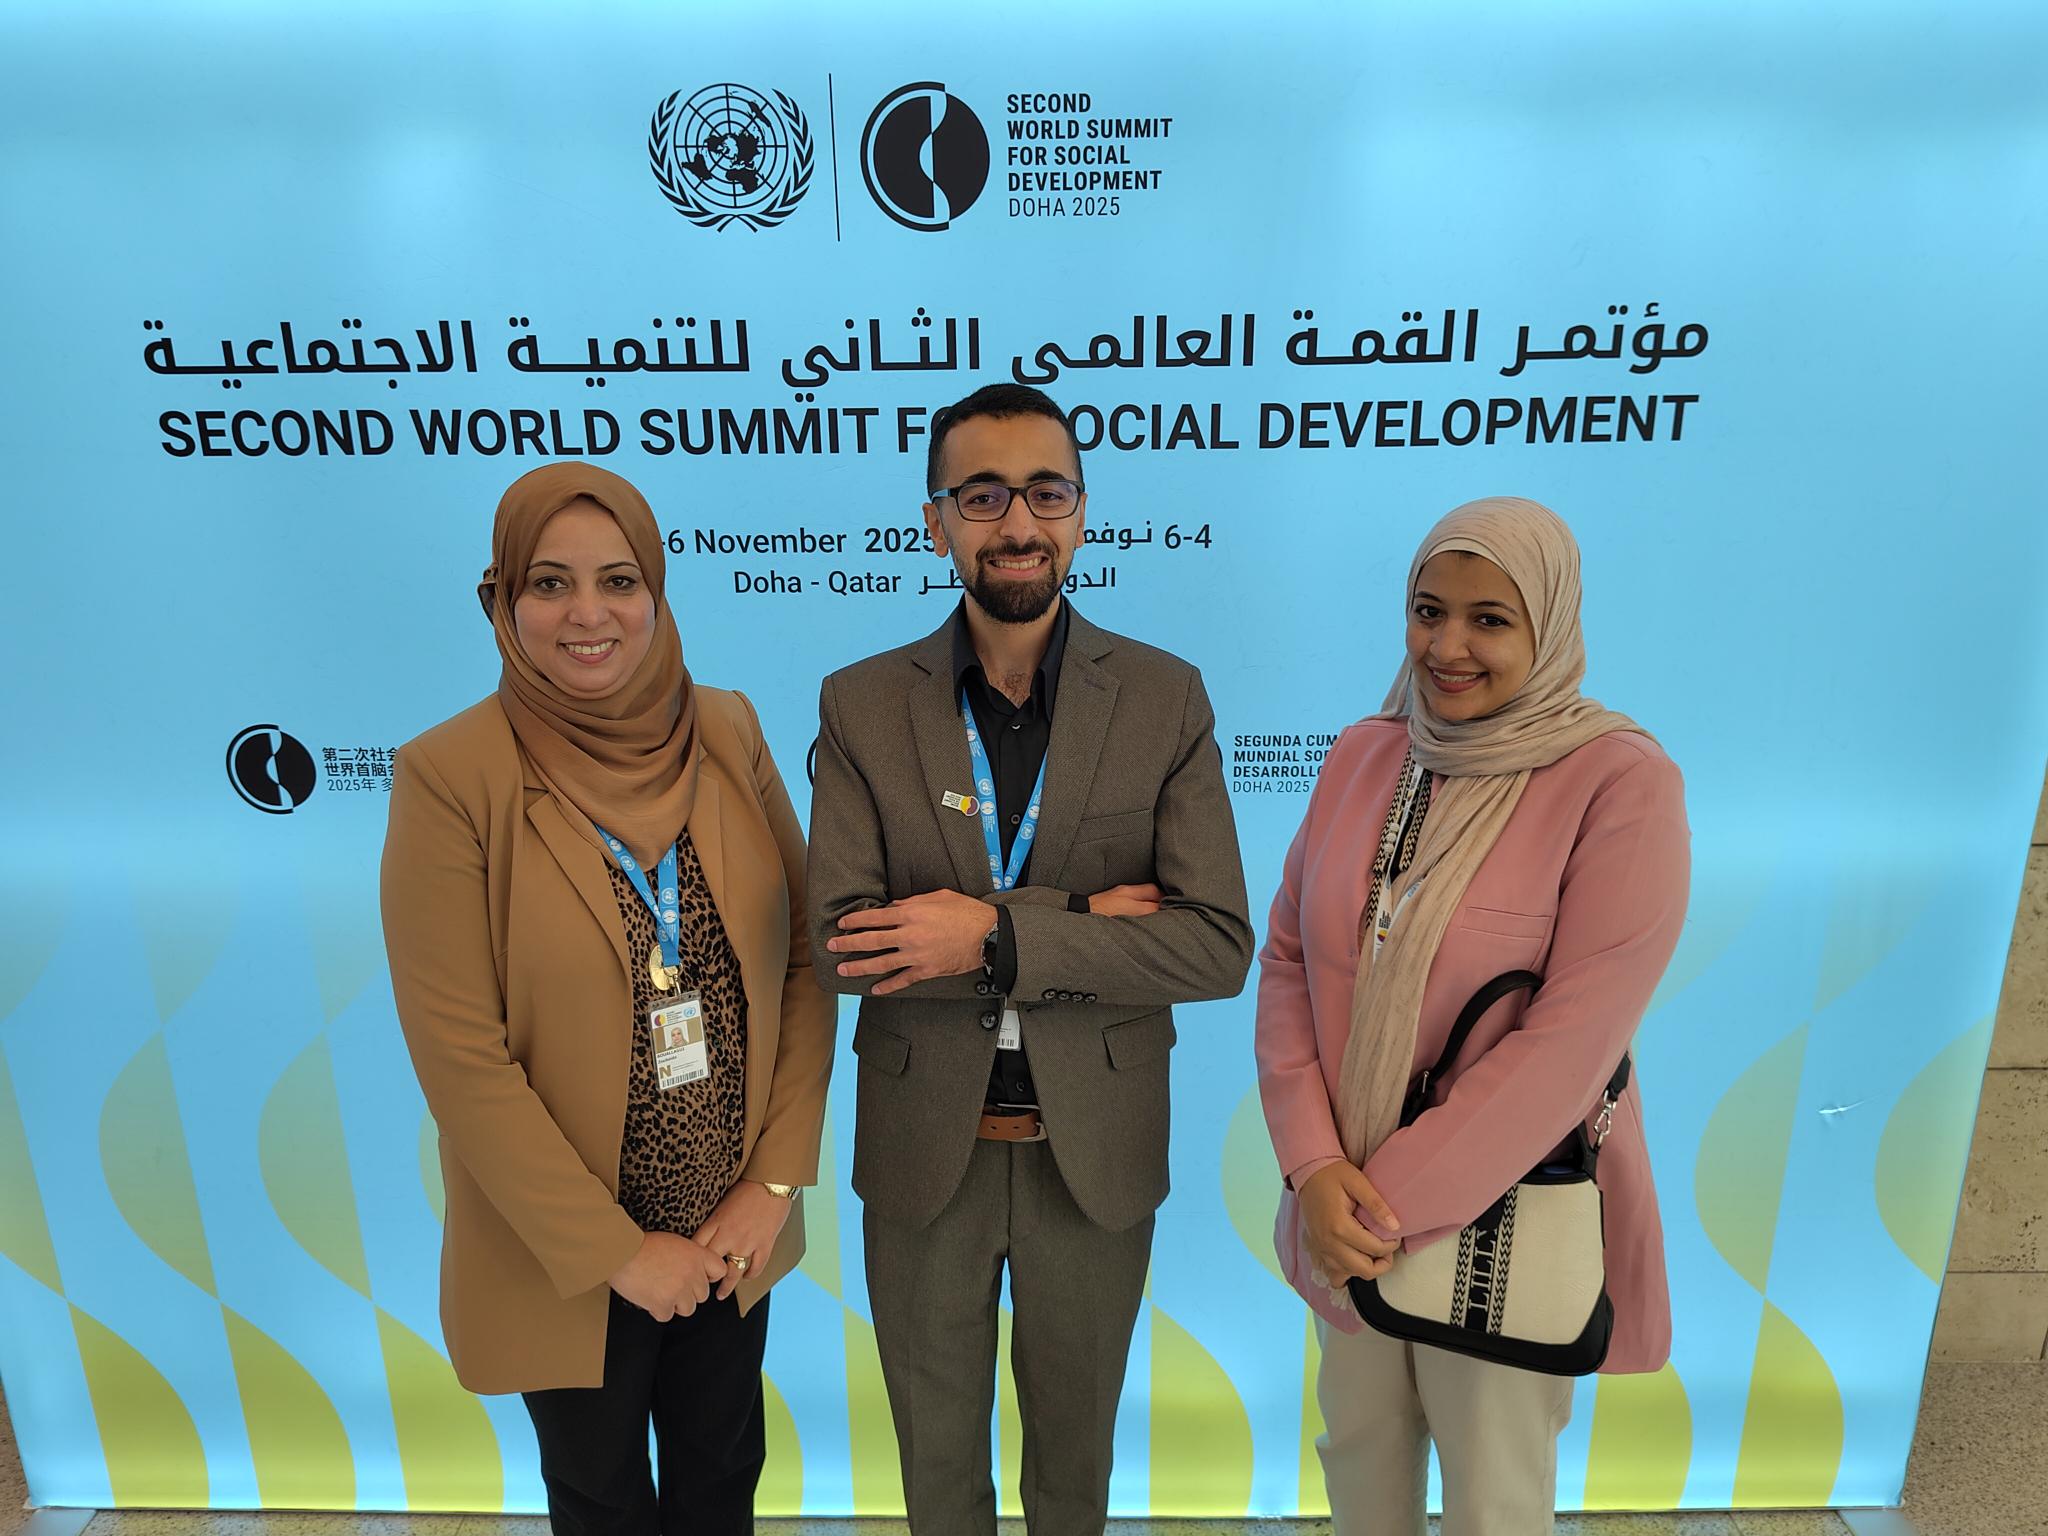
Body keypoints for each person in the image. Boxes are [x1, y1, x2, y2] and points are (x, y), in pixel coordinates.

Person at [806, 383, 1253, 1535]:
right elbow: (845, 944)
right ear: (935, 521)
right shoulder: (860, 705)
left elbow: (1211, 945)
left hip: (1088, 1160)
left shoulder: (1165, 698)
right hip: (922, 1163)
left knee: (1073, 1473)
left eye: (1044, 491)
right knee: (936, 1478)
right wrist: (1081, 921)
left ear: (1082, 512)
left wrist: (989, 931)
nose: (1017, 522)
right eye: (982, 494)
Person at [380, 462, 832, 1535]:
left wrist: (771, 1184)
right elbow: (461, 1058)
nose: (588, 614)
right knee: (599, 1499)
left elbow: (804, 961)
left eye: (618, 580)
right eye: (549, 584)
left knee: (725, 1479)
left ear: (658, 592)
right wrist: (619, 1253)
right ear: (501, 602)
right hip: (569, 1251)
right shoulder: (451, 777)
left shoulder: (725, 728)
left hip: (731, 1227)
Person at [1254, 496, 1689, 1535]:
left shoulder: (1617, 783)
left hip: (1490, 1215)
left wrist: (1377, 1208)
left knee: (1494, 1498)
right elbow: (1285, 963)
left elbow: (1569, 1045)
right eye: (1426, 610)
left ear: (1547, 625)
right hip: (1342, 1207)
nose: (1446, 647)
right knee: (1356, 1465)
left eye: (1488, 618)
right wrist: (1314, 1170)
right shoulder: (1366, 755)